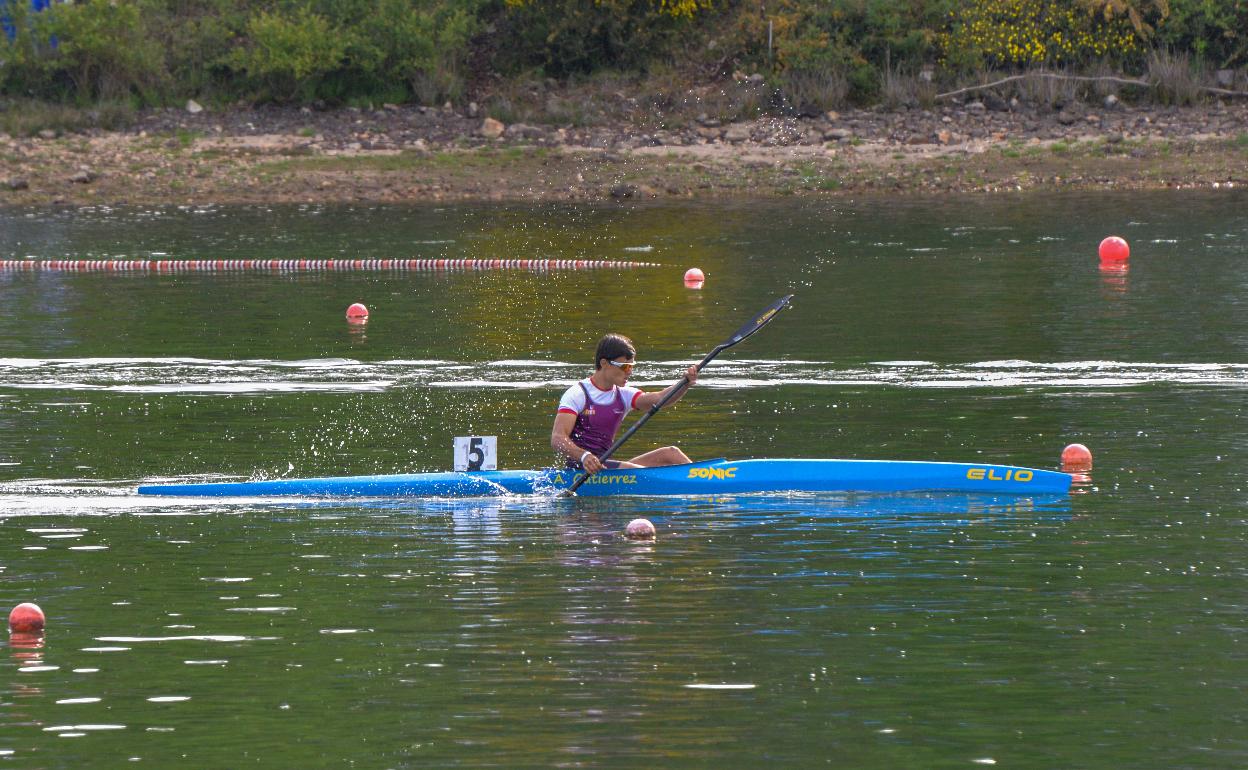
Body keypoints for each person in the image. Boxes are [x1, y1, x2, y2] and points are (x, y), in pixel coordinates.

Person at [551, 333, 698, 474]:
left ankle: (705, 480)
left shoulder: (623, 394)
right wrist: (584, 456)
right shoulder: (578, 394)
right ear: (604, 363)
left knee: (671, 453)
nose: (629, 372)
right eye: (625, 366)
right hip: (581, 469)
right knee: (640, 473)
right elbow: (557, 438)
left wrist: (684, 384)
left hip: (605, 466)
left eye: (631, 366)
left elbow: (660, 398)